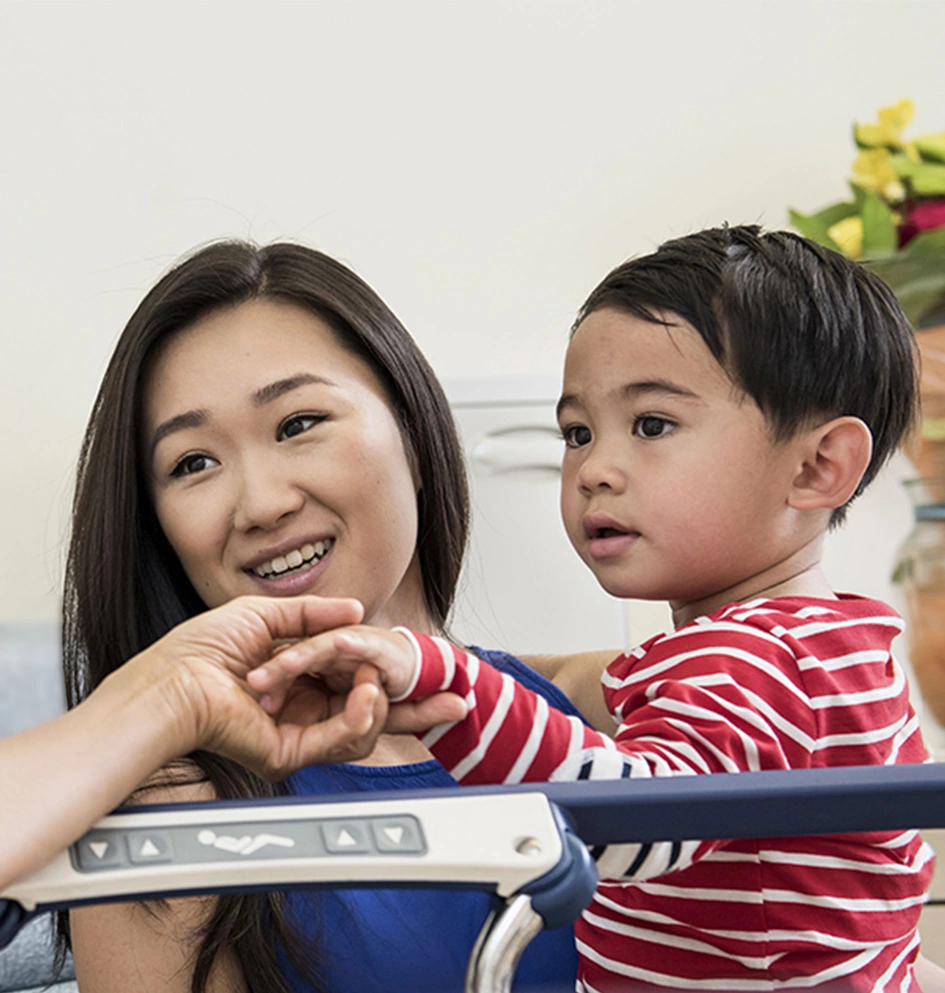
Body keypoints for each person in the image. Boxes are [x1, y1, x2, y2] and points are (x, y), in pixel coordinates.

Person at [253, 225, 939, 991]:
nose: (594, 470)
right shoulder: (836, 640)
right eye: (577, 432)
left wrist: (447, 683)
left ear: (817, 466)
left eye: (651, 425)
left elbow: (633, 823)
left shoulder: (749, 659)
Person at [60, 239, 609, 993]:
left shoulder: (598, 706)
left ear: (413, 434)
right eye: (193, 462)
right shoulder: (163, 805)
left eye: (297, 423)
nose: (261, 502)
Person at [0, 592, 431, 895]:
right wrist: (176, 694)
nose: (264, 505)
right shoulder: (172, 802)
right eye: (196, 465)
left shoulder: (496, 689)